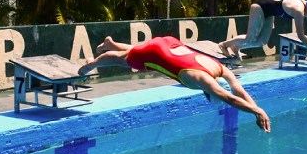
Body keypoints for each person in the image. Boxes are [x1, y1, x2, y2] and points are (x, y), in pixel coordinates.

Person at [79, 36, 271, 132]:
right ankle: (93, 63)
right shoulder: (200, 79)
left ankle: (111, 43)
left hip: (171, 43)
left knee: (138, 52)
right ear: (208, 93)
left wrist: (258, 109)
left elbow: (238, 91)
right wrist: (257, 111)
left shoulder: (219, 69)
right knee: (121, 60)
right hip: (155, 52)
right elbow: (230, 98)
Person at [218, 0, 307, 62]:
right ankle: (224, 45)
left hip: (270, 13)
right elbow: (301, 35)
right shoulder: (298, 9)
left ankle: (236, 48)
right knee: (250, 37)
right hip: (260, 6)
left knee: (261, 42)